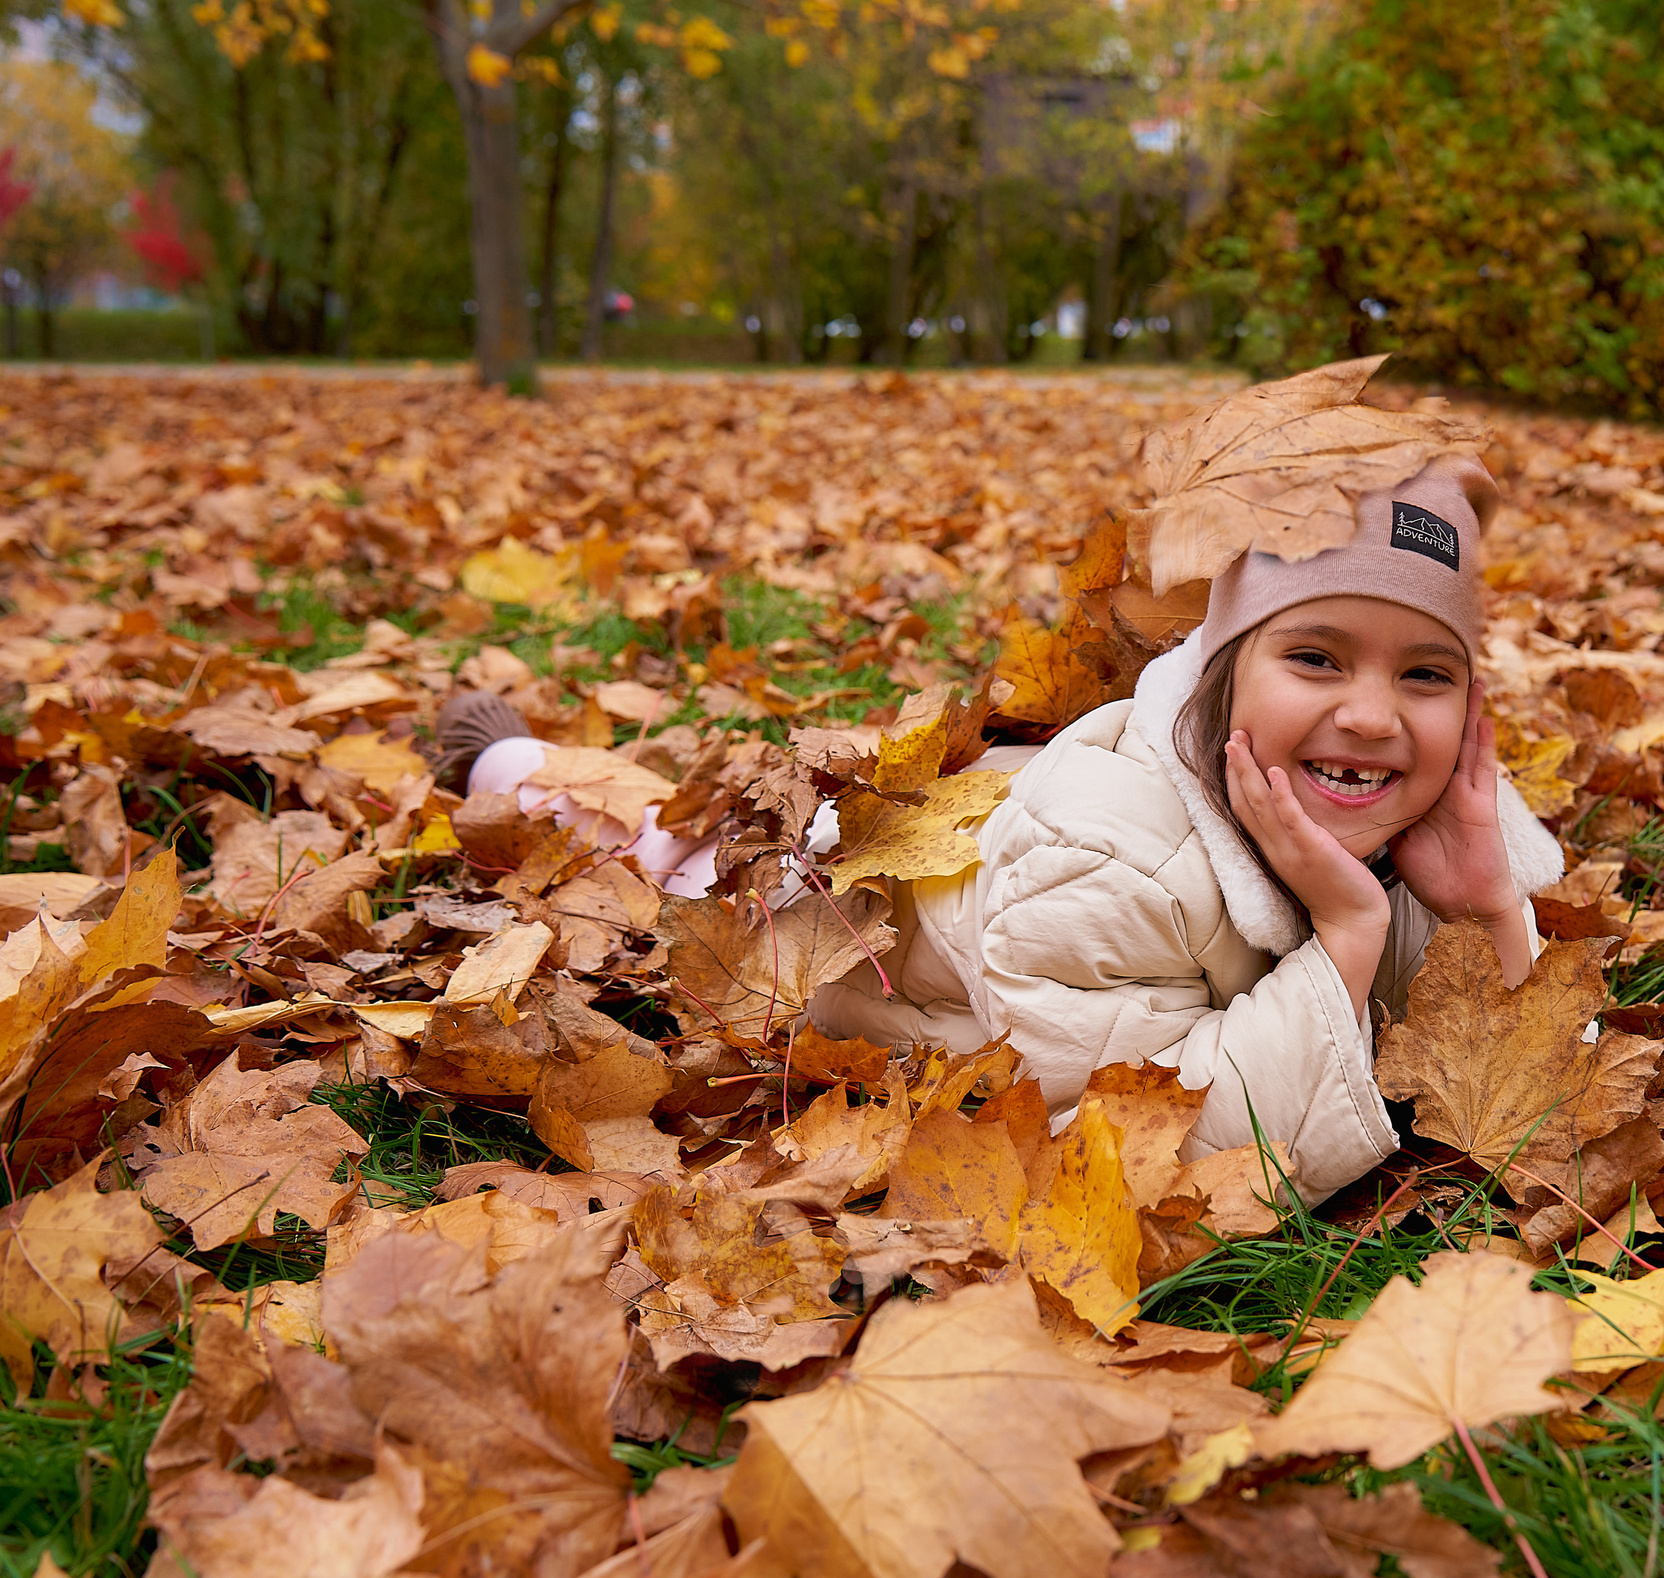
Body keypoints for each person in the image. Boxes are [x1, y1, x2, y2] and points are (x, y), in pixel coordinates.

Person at [438, 458, 1562, 1200]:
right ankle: (508, 763)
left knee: (675, 835)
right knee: (658, 862)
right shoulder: (1108, 864)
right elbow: (1136, 1156)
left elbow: (1534, 1108)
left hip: (990, 823)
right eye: (1313, 656)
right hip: (812, 911)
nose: (1369, 714)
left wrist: (1487, 912)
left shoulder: (1412, 825)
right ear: (1221, 678)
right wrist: (1350, 942)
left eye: (1425, 673)